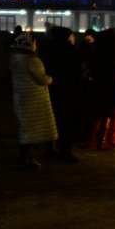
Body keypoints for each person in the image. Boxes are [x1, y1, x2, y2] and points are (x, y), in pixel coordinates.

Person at [8, 31, 57, 171]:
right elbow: (41, 79)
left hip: (21, 98)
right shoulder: (33, 60)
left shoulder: (15, 58)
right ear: (29, 44)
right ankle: (28, 160)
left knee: (25, 129)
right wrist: (51, 78)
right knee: (32, 130)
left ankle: (25, 158)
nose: (36, 45)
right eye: (35, 43)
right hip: (34, 99)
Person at [40, 26, 82, 163]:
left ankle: (50, 149)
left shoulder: (49, 48)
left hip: (52, 90)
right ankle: (65, 151)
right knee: (67, 122)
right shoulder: (68, 50)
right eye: (71, 36)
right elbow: (78, 60)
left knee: (53, 120)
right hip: (68, 91)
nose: (73, 38)